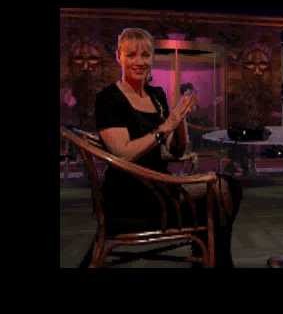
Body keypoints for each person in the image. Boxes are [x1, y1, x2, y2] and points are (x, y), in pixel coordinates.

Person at [95, 28, 242, 267]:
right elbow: (123, 153)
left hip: (160, 184)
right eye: (131, 55)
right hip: (130, 195)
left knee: (229, 188)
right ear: (118, 56)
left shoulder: (156, 95)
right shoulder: (108, 98)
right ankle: (214, 260)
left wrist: (180, 120)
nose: (139, 61)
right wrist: (164, 127)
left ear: (152, 58)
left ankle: (210, 258)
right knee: (222, 191)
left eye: (145, 55)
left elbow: (175, 151)